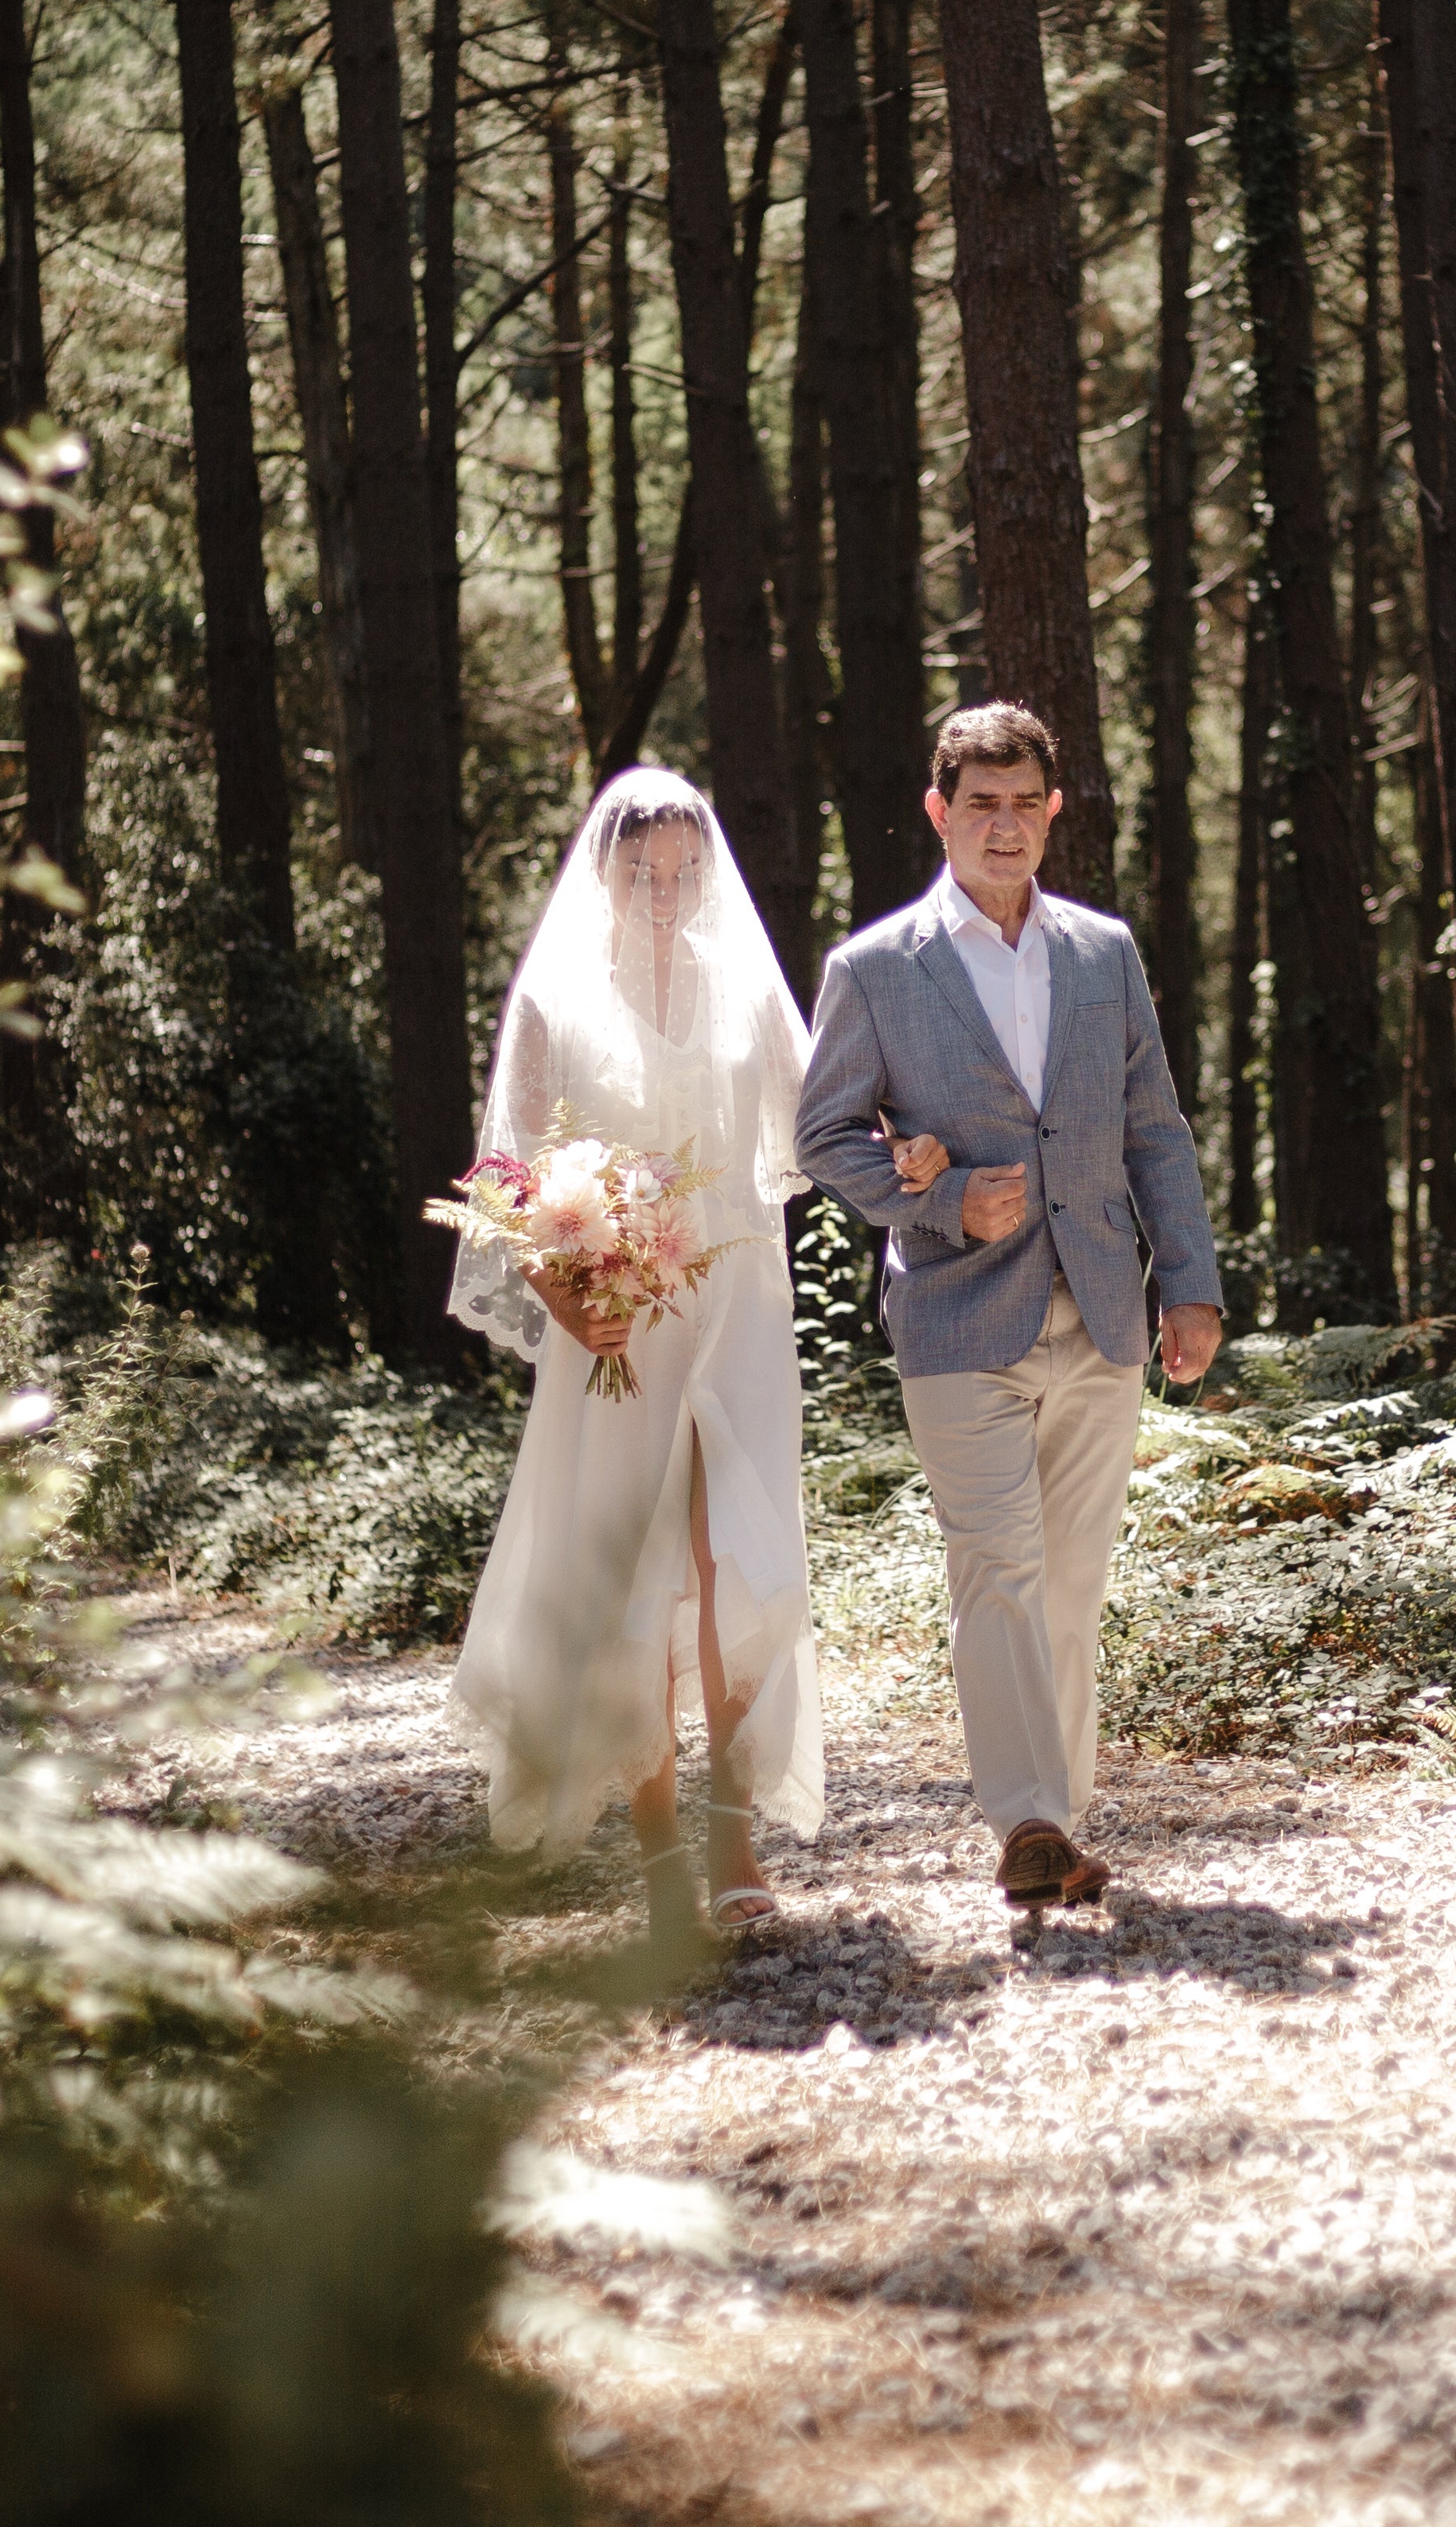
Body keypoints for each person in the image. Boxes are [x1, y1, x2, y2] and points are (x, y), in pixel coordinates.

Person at [795, 703, 1225, 1914]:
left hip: (1100, 1311)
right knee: (997, 1566)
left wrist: (1187, 1286)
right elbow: (824, 1136)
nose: (1003, 824)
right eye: (978, 803)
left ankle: (1060, 1821)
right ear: (939, 812)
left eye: (1022, 801)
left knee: (1073, 1582)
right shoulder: (876, 969)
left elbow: (1155, 1131)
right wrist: (933, 1210)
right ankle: (1027, 1819)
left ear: (1052, 812)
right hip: (953, 1322)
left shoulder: (1104, 953)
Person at [444, 770, 836, 1941]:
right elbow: (507, 1176)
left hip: (737, 1302)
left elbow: (815, 1117)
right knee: (636, 1577)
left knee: (735, 1555)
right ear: (605, 878)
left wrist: (917, 1151)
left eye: (681, 873)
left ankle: (732, 1831)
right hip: (617, 1320)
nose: (663, 893)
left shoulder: (745, 996)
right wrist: (565, 1294)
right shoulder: (554, 1003)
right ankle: (660, 1840)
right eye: (639, 874)